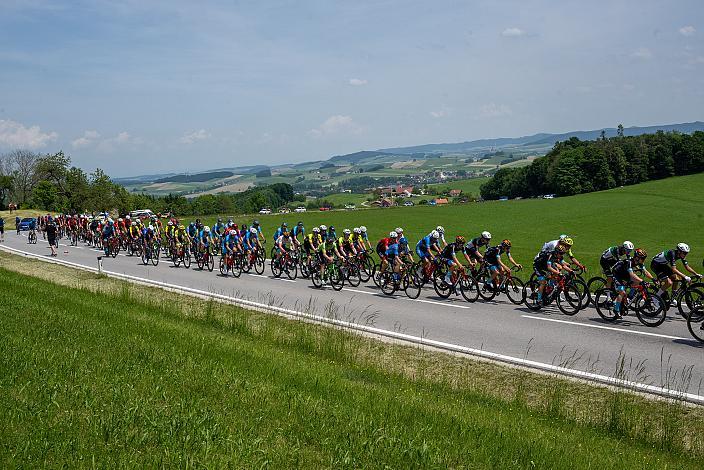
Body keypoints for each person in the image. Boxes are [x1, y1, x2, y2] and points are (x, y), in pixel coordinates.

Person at [611, 248, 654, 318]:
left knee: (637, 282)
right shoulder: (629, 262)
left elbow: (645, 271)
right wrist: (642, 281)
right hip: (617, 273)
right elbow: (632, 274)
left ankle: (629, 297)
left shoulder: (639, 262)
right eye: (642, 258)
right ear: (637, 258)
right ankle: (616, 310)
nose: (643, 260)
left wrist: (653, 279)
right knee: (622, 292)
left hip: (625, 273)